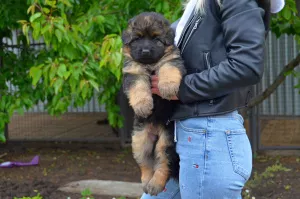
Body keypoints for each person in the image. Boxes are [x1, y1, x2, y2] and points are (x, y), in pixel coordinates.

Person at [143, 0, 285, 198]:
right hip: (186, 139)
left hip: (208, 139)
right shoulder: (200, 6)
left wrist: (181, 88)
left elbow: (246, 66)